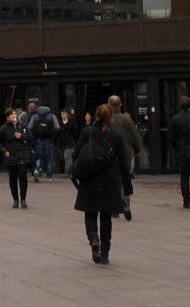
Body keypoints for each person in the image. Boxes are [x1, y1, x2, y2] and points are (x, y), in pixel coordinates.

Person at [70, 104, 133, 265]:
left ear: (96, 116)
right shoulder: (116, 137)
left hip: (90, 179)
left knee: (90, 213)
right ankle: (105, 252)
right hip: (109, 181)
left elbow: (75, 154)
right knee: (106, 216)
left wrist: (77, 171)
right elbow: (124, 164)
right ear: (110, 118)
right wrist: (127, 187)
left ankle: (93, 238)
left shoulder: (87, 133)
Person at [108, 95, 142, 220]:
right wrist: (137, 149)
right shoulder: (127, 120)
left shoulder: (107, 120)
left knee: (112, 181)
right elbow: (135, 136)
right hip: (125, 153)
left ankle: (114, 209)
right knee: (125, 179)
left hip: (110, 154)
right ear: (120, 105)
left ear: (109, 105)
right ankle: (125, 204)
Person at [0, 107, 35, 208]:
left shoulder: (22, 125)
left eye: (15, 114)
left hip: (23, 156)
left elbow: (30, 137)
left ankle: (23, 199)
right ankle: (15, 199)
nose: (14, 116)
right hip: (11, 156)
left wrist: (21, 136)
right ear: (7, 117)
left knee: (23, 178)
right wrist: (4, 151)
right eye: (11, 115)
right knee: (13, 179)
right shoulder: (4, 128)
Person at [29, 103, 60, 182]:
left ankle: (36, 170)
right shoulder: (52, 116)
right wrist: (53, 133)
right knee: (49, 157)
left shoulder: (35, 116)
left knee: (38, 156)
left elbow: (29, 127)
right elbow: (57, 127)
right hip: (49, 140)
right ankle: (49, 177)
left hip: (38, 140)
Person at [58, 108, 80, 175]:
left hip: (68, 142)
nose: (63, 115)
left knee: (67, 156)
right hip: (60, 142)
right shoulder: (59, 122)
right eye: (62, 114)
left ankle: (68, 170)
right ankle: (67, 169)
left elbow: (75, 132)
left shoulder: (71, 122)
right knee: (62, 157)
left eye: (64, 114)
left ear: (67, 114)